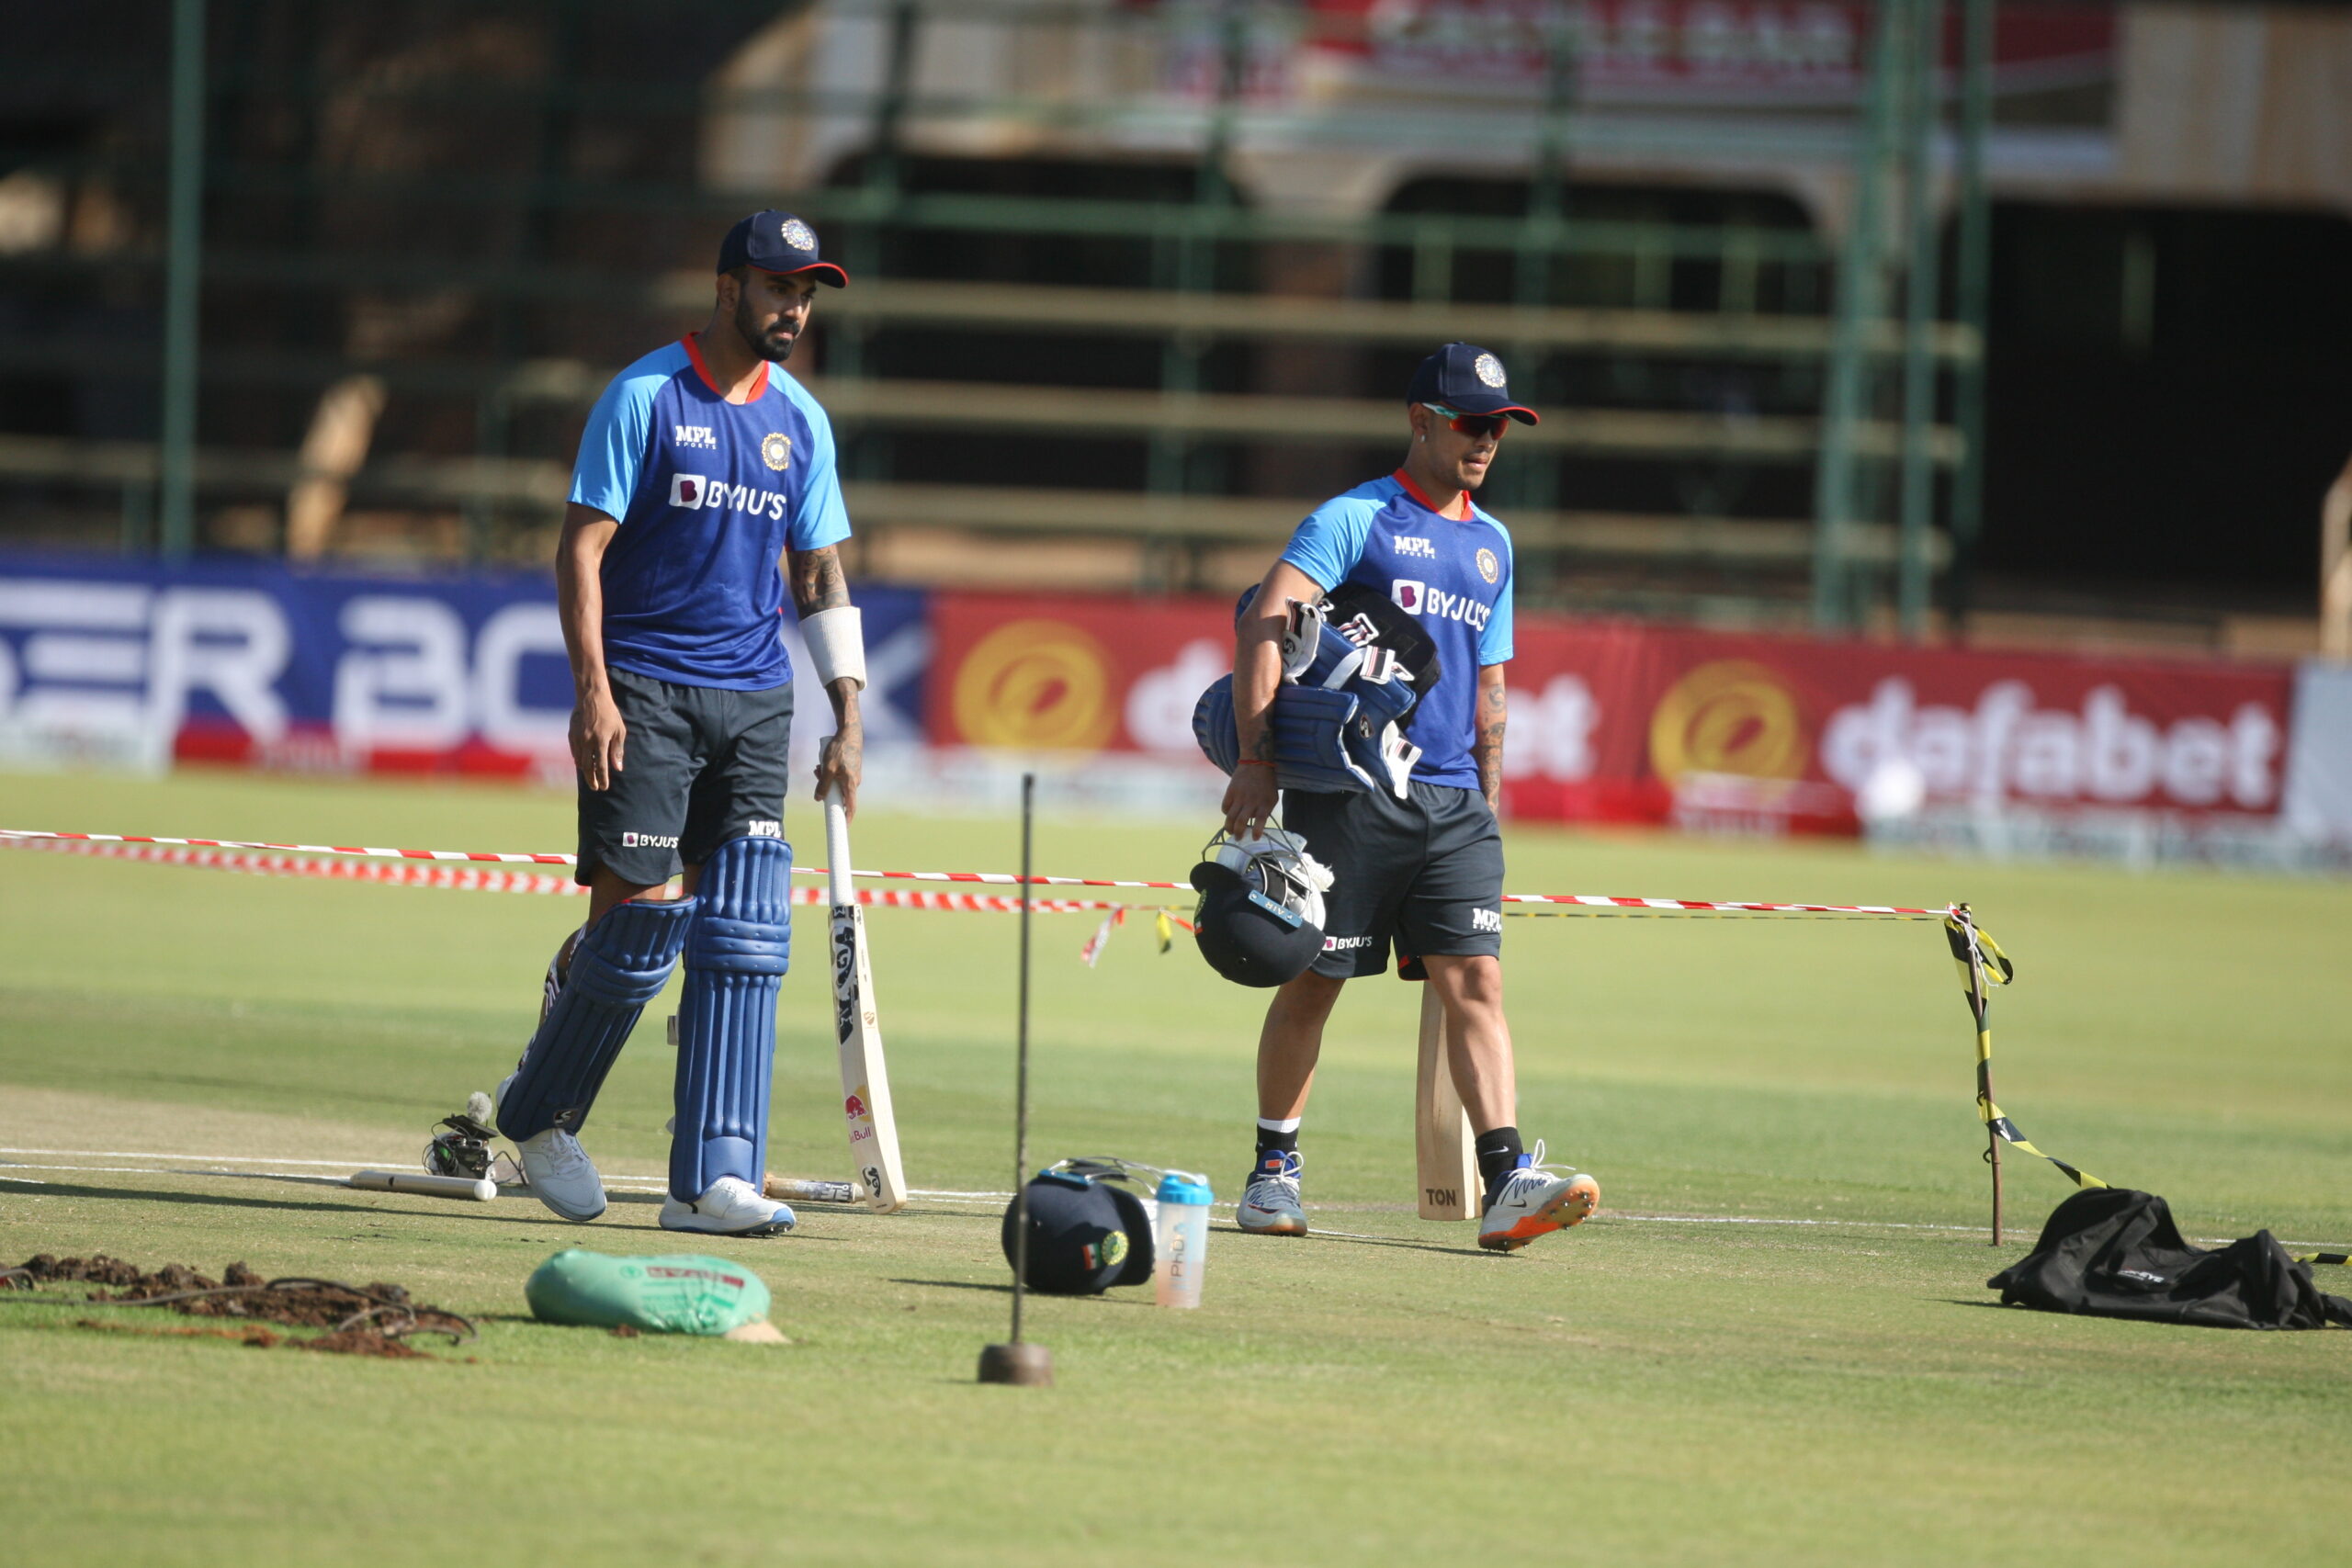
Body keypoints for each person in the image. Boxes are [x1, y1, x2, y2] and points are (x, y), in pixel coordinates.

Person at [491, 209, 869, 1237]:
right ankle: (541, 1117)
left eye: (806, 291)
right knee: (642, 922)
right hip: (648, 690)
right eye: (777, 285)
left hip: (755, 699)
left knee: (745, 927)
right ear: (726, 287)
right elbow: (581, 549)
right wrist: (593, 688)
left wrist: (847, 707)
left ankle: (710, 1180)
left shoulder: (801, 418)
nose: (793, 306)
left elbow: (819, 569)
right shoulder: (645, 395)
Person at [1219, 342, 1600, 1253]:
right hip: (1349, 795)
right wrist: (1257, 760)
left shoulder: (1494, 543)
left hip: (1453, 803)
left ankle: (1506, 1179)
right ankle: (1273, 1172)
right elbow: (1265, 618)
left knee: (1478, 979)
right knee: (1316, 978)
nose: (1487, 441)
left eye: (1500, 427)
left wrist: (1488, 805)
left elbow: (1492, 685)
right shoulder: (1356, 517)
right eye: (1472, 423)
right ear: (1420, 420)